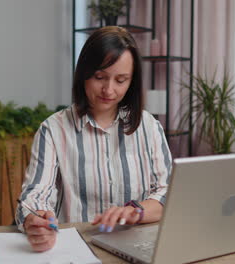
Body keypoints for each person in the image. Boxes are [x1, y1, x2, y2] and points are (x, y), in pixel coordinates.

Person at [15, 26, 172, 252]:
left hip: (137, 247)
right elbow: (35, 195)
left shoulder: (149, 128)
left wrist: (134, 211)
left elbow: (167, 194)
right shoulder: (53, 129)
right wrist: (37, 220)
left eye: (121, 80)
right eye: (100, 77)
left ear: (132, 82)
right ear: (84, 73)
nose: (109, 90)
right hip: (75, 248)